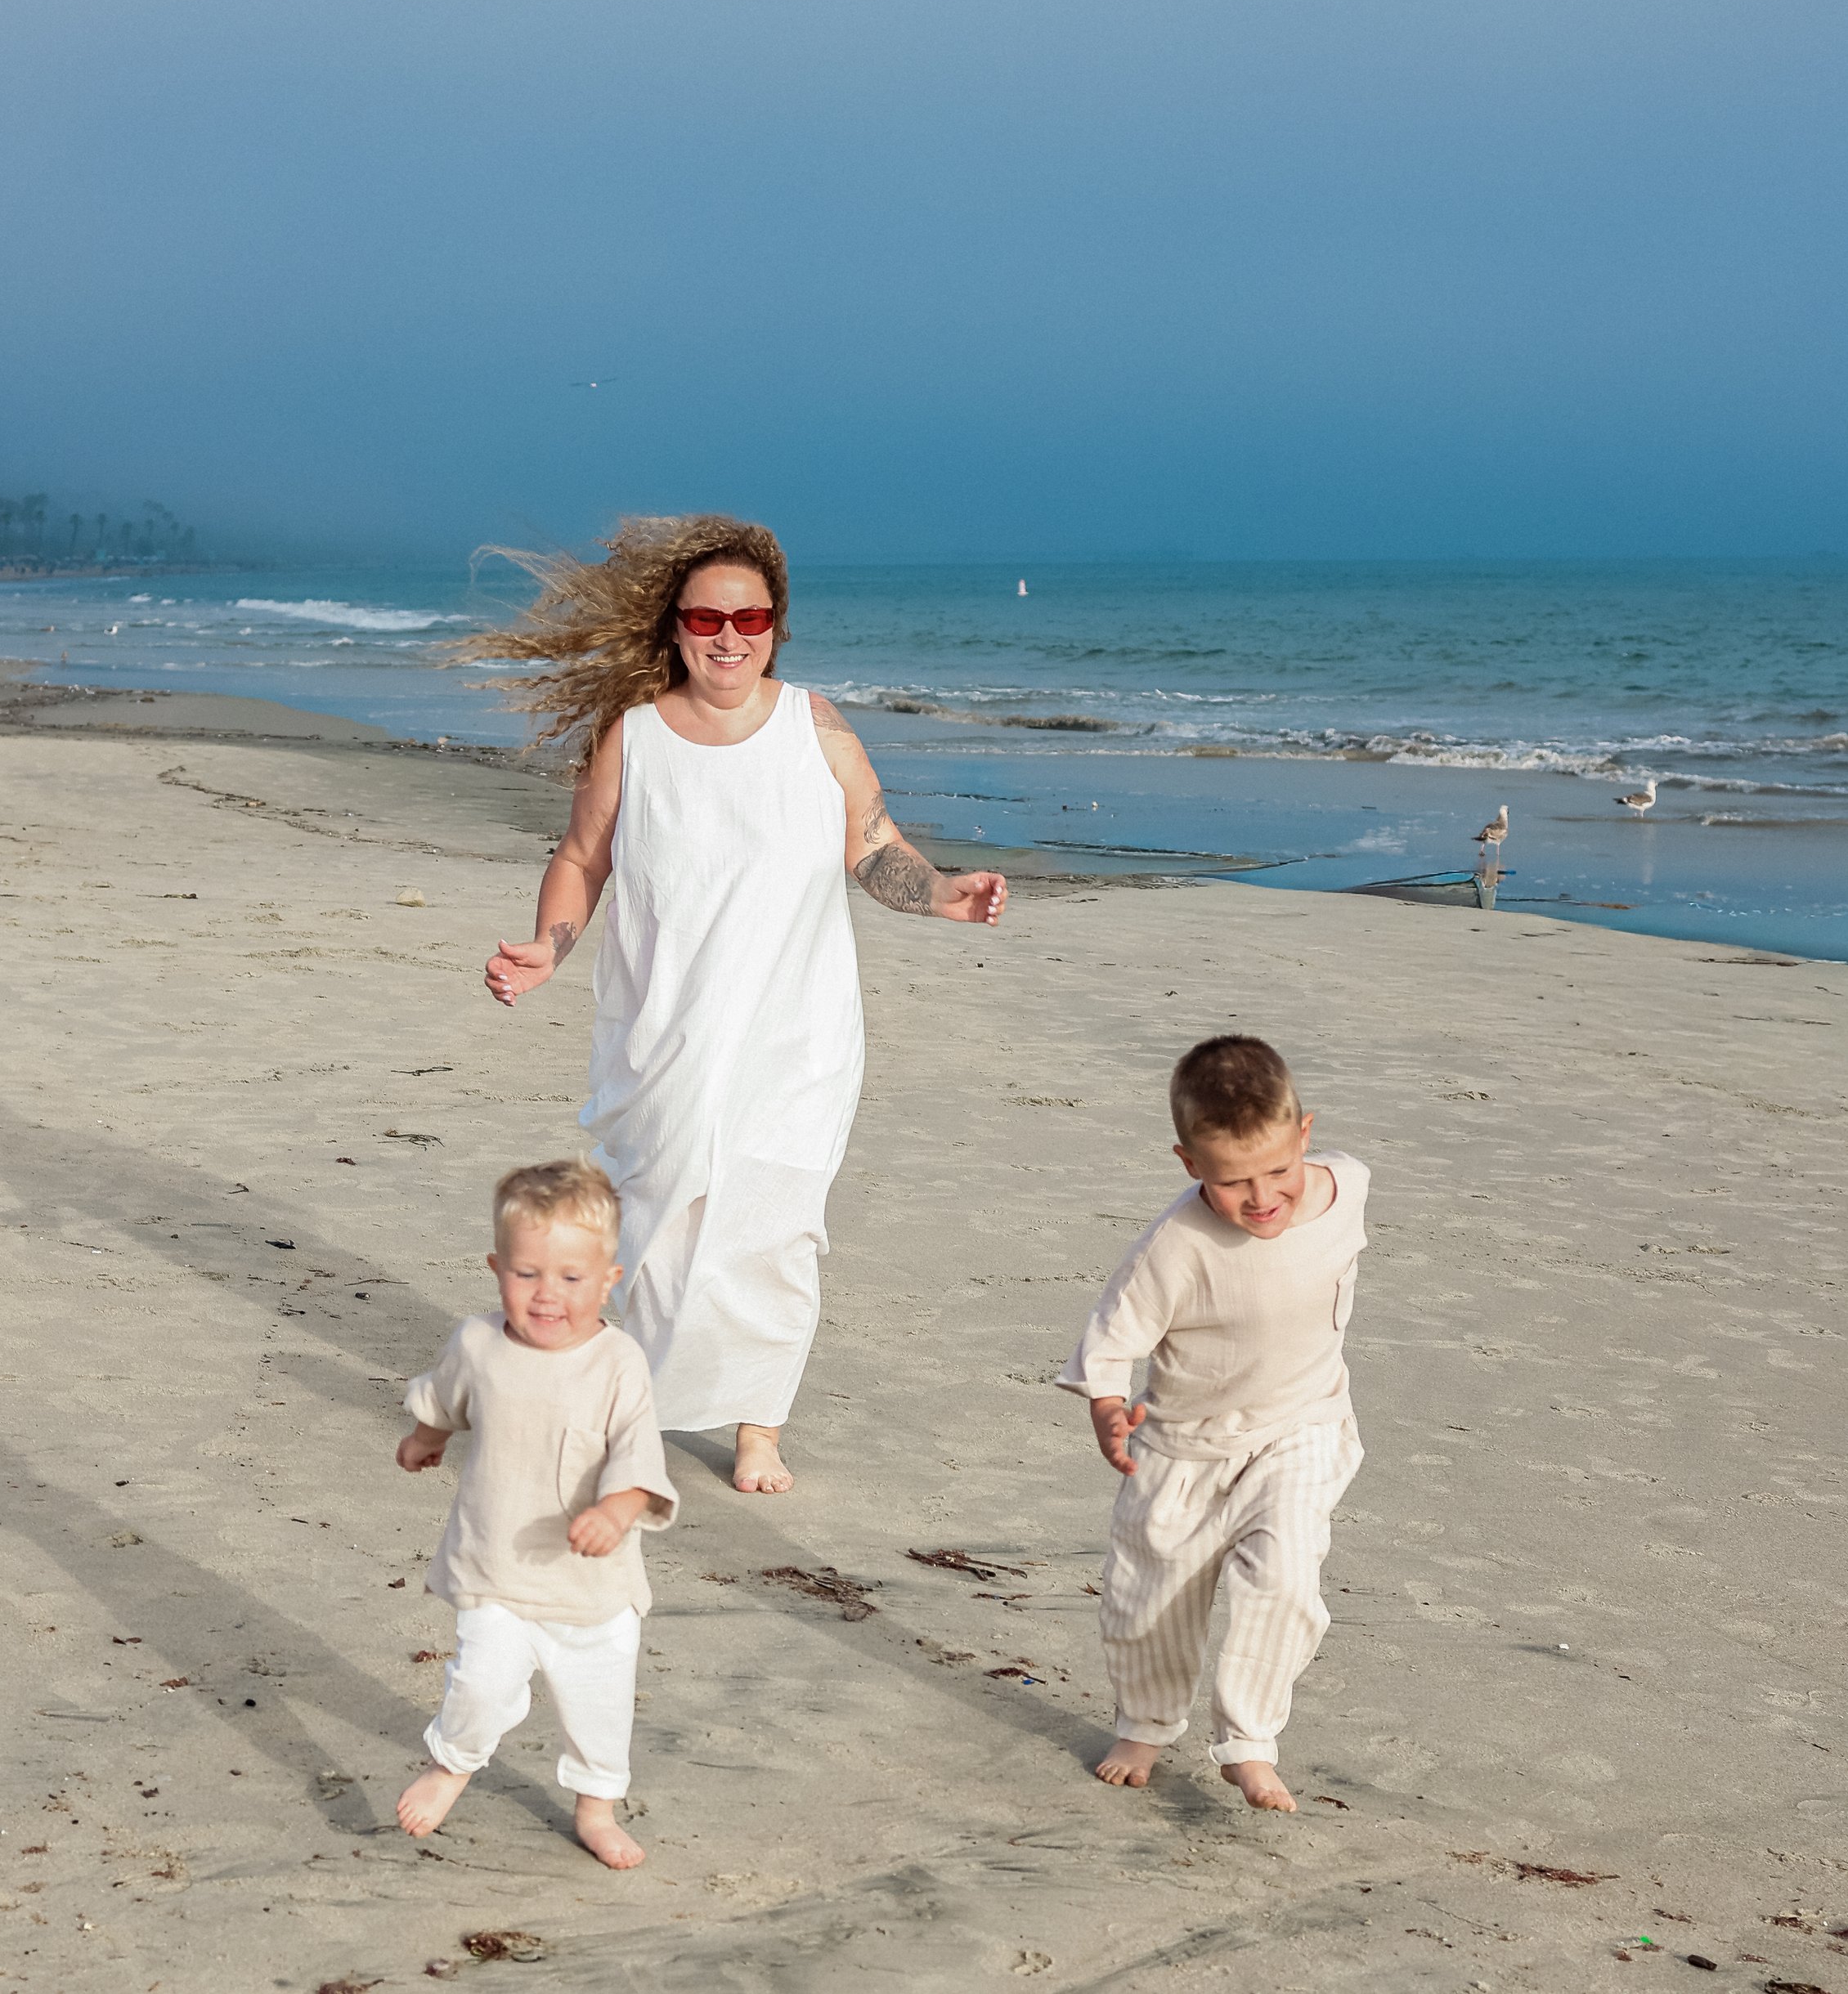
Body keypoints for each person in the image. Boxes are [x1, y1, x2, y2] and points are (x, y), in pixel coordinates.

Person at [458, 513, 1006, 1495]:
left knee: (774, 1224)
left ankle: (759, 1424)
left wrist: (944, 892)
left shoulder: (817, 727)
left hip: (796, 1034)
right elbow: (584, 856)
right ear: (674, 626)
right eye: (706, 617)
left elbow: (873, 844)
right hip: (664, 1032)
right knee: (656, 1227)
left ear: (776, 625)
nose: (728, 635)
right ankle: (631, 1402)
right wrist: (548, 946)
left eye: (749, 616)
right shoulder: (635, 738)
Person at [1059, 1033, 1368, 1813]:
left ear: (1305, 1134)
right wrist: (1107, 1406)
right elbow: (1114, 1335)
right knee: (1149, 1599)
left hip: (1301, 1426)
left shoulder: (1348, 1187)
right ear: (1190, 1163)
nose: (1262, 1197)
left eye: (1277, 1170)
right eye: (1233, 1181)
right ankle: (1146, 1721)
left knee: (1287, 1575)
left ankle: (1249, 1740)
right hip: (1183, 1447)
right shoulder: (1177, 1247)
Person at [392, 1159, 678, 1870]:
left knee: (598, 1704)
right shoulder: (479, 1344)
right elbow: (445, 1401)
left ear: (608, 1279)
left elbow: (640, 1460)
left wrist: (617, 1509)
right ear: (497, 1268)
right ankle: (452, 1764)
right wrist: (423, 1440)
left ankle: (595, 1807)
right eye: (528, 1275)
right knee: (480, 1682)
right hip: (497, 1568)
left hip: (593, 1588)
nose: (548, 1295)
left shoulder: (618, 1363)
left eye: (572, 1279)